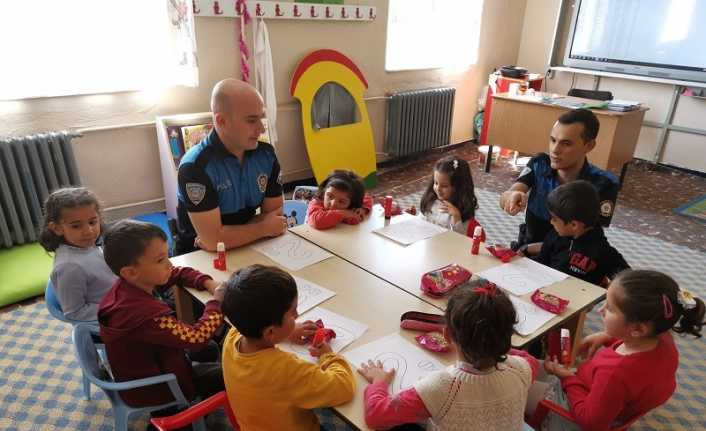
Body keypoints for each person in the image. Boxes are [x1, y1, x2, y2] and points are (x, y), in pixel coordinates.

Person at [535, 269, 704, 430]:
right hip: (599, 395)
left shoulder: (615, 373)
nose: (601, 310)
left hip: (571, 413)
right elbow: (637, 344)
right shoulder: (662, 335)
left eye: (609, 308)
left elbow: (591, 423)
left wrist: (567, 379)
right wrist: (606, 336)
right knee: (531, 367)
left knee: (514, 386)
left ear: (638, 329)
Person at [359, 284, 538, 430]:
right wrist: (488, 343)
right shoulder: (522, 368)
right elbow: (527, 358)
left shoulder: (442, 388)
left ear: (447, 335)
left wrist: (378, 382)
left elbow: (376, 415)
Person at [98, 220, 225, 407]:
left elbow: (176, 272)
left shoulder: (131, 285)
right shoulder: (148, 316)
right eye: (160, 260)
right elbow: (197, 337)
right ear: (131, 272)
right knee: (229, 373)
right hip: (159, 389)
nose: (169, 264)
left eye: (168, 256)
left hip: (156, 364)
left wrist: (207, 283)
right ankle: (184, 409)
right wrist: (216, 303)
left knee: (211, 349)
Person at [221, 264, 355, 430]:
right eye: (293, 312)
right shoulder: (285, 369)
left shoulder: (233, 336)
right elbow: (343, 387)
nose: (297, 315)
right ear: (270, 331)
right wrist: (328, 355)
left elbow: (260, 332)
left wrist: (288, 331)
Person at [176, 79, 286, 254]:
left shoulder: (266, 155)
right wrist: (263, 228)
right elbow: (213, 242)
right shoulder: (195, 166)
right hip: (199, 258)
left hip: (251, 246)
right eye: (251, 121)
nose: (261, 129)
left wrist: (224, 236)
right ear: (222, 121)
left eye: (261, 119)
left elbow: (276, 218)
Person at [499, 109, 619, 254]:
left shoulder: (604, 184)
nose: (555, 150)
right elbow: (507, 195)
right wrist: (511, 197)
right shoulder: (539, 163)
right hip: (528, 249)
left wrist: (528, 250)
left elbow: (588, 239)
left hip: (568, 257)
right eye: (553, 140)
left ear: (589, 145)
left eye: (566, 143)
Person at [39, 187, 117, 321]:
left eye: (92, 222)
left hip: (119, 297)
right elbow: (74, 313)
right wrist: (118, 308)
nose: (89, 231)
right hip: (111, 317)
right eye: (76, 226)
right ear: (57, 228)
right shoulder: (69, 267)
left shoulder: (85, 245)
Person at [534, 180, 629, 286]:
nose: (551, 221)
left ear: (574, 225)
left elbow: (628, 281)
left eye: (554, 219)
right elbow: (541, 262)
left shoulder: (602, 251)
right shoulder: (554, 235)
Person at [420, 156, 485, 239]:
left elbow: (459, 241)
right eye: (436, 183)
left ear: (458, 187)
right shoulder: (431, 201)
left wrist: (456, 217)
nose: (438, 189)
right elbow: (421, 223)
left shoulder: (462, 213)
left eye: (444, 186)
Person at [306, 170, 373, 230]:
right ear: (324, 191)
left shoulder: (353, 205)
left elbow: (366, 197)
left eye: (341, 201)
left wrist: (363, 209)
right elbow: (316, 222)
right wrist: (343, 213)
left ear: (352, 203)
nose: (333, 204)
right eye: (330, 196)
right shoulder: (317, 202)